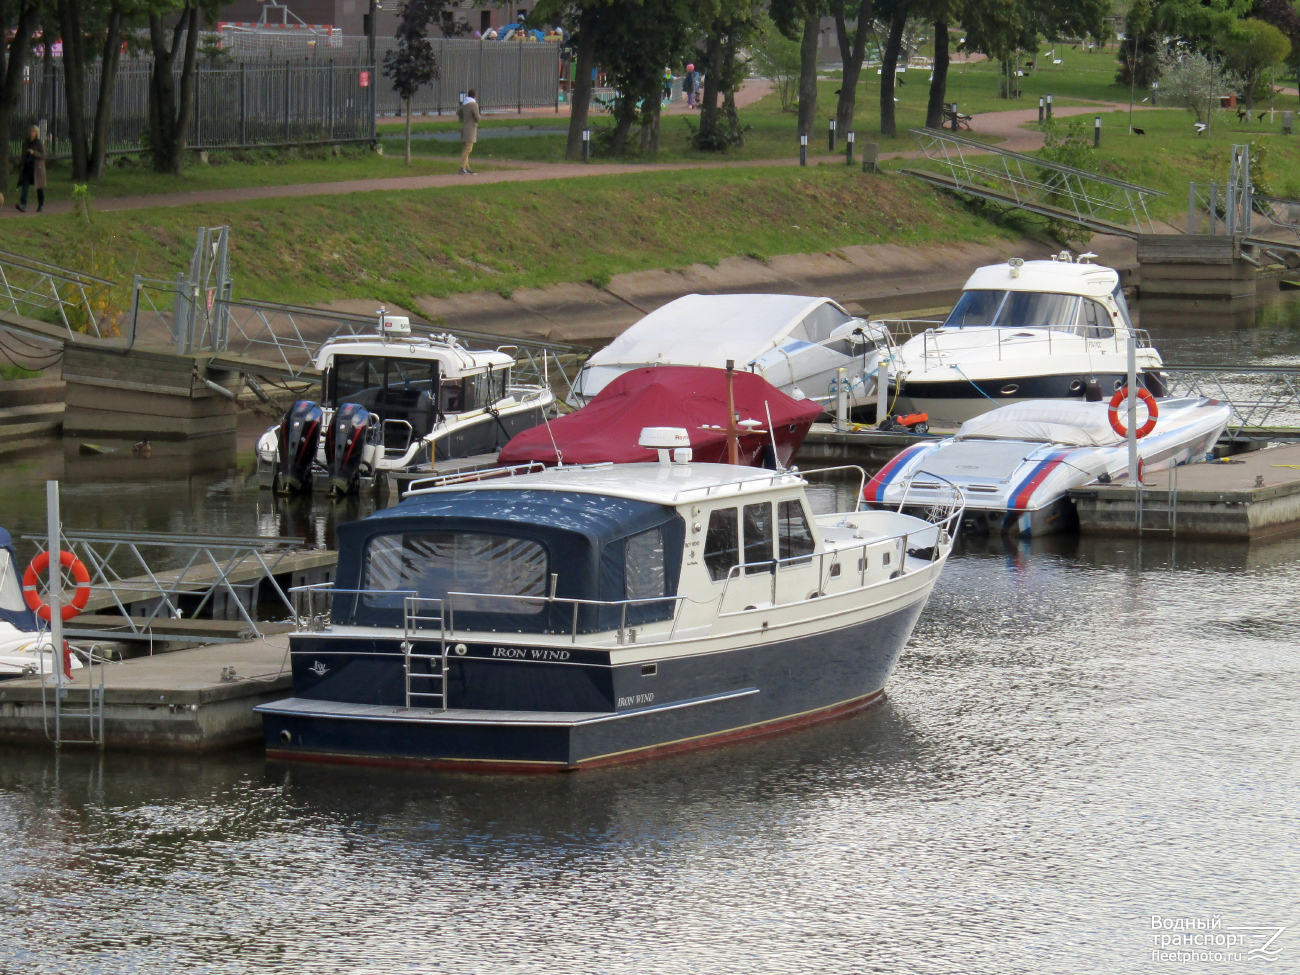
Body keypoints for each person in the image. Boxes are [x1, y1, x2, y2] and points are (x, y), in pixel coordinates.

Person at [16, 126, 46, 213]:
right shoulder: (25, 142)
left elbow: (43, 156)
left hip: (37, 168)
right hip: (27, 167)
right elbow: (23, 155)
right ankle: (23, 204)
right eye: (30, 131)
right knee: (25, 186)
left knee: (39, 188)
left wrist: (34, 153)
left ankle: (41, 205)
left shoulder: (39, 143)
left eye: (33, 131)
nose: (31, 132)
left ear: (36, 133)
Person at [458, 88, 480, 175]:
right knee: (468, 149)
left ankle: (467, 167)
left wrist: (464, 118)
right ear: (475, 96)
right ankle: (462, 167)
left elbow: (458, 112)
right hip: (471, 128)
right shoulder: (473, 105)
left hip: (465, 127)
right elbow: (477, 117)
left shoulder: (464, 104)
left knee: (465, 148)